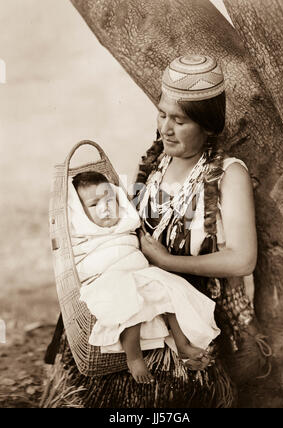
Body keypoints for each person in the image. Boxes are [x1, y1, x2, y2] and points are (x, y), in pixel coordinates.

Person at [44, 54, 257, 408]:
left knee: (152, 395)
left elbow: (242, 259)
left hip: (186, 300)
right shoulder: (157, 162)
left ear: (207, 125)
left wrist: (168, 261)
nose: (165, 129)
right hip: (136, 284)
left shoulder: (228, 174)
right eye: (162, 115)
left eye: (180, 120)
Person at [68, 170, 220, 384]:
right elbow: (80, 262)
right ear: (80, 212)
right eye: (93, 205)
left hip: (140, 273)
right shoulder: (82, 233)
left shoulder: (126, 222)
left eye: (110, 199)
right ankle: (134, 357)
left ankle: (183, 344)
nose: (105, 208)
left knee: (172, 288)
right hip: (108, 281)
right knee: (129, 301)